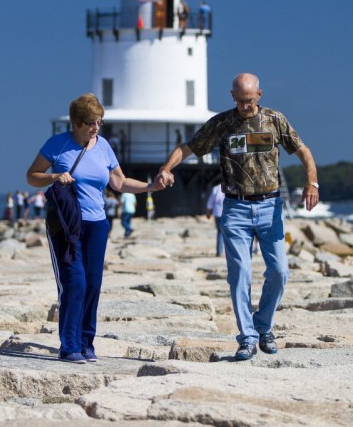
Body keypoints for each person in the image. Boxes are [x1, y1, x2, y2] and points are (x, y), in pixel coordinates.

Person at [156, 73, 319, 361]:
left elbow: (303, 151)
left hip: (270, 207)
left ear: (259, 95)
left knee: (280, 272)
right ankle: (247, 338)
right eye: (240, 100)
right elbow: (189, 148)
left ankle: (263, 326)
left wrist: (312, 182)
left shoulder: (274, 120)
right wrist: (166, 168)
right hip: (235, 208)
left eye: (250, 99)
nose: (245, 105)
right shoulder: (222, 124)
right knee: (240, 275)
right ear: (232, 96)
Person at [26, 93, 165, 364]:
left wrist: (150, 187)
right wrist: (55, 176)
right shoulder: (57, 144)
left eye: (100, 122)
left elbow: (119, 182)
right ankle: (69, 346)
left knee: (93, 284)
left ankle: (87, 343)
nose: (96, 128)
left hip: (97, 225)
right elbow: (32, 176)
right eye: (91, 122)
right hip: (67, 226)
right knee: (74, 283)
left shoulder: (103, 146)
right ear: (77, 122)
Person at [206, 181, 225, 257]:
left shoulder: (216, 189)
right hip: (227, 213)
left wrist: (208, 213)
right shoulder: (231, 187)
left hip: (218, 213)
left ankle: (219, 251)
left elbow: (210, 202)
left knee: (220, 232)